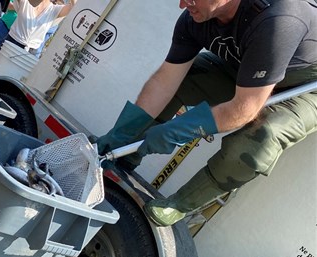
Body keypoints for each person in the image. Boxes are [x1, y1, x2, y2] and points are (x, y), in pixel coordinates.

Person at [95, 0, 317, 227]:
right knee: (188, 78)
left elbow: (245, 108)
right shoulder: (195, 18)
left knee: (262, 137)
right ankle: (125, 152)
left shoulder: (279, 18)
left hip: (300, 88)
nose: (182, 5)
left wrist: (179, 131)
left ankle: (180, 204)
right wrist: (122, 132)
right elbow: (165, 81)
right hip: (245, 69)